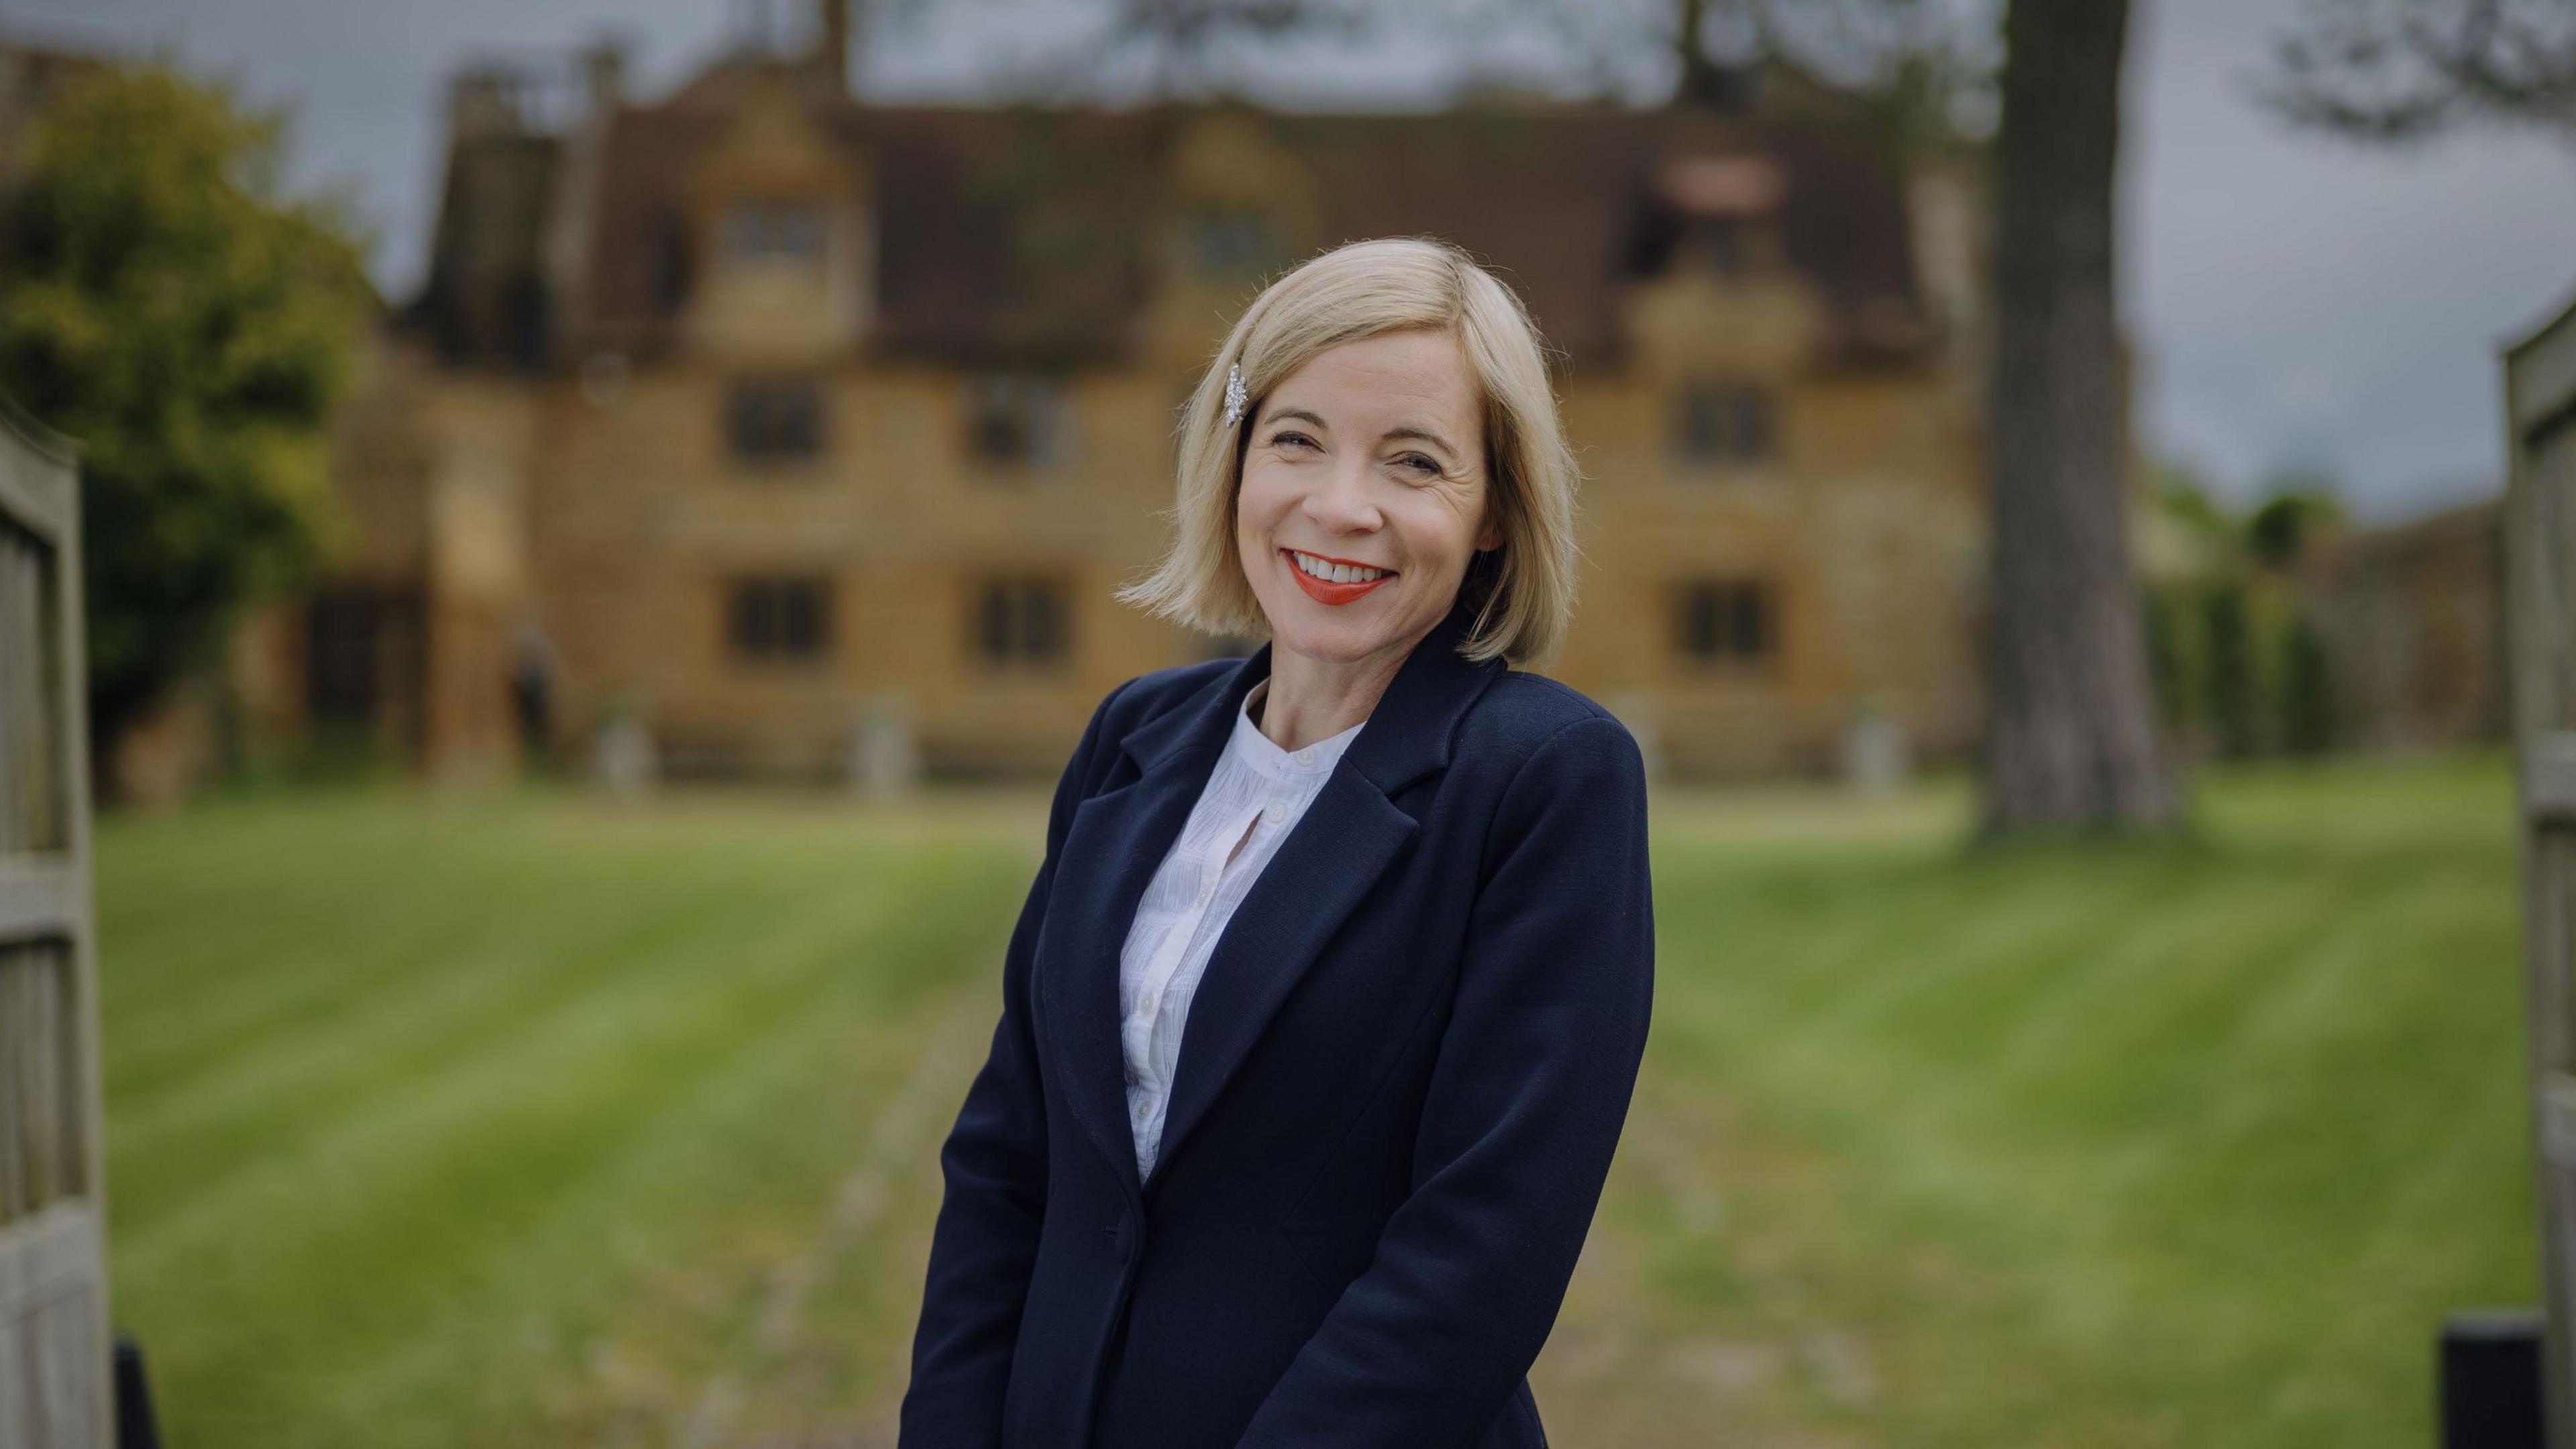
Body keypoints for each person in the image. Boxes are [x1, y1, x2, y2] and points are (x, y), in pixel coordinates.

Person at [898, 235, 1655, 1449]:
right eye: (1297, 438)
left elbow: (1483, 1250)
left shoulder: (1547, 778)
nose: (1339, 505)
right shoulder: (1133, 739)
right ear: (1235, 457)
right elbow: (1009, 1160)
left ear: (1497, 515)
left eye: (1413, 462)